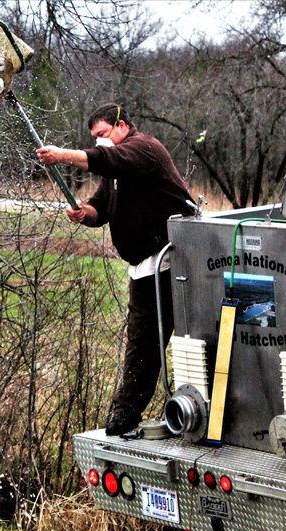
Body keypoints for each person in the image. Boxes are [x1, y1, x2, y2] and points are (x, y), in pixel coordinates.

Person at [36, 103, 194, 435]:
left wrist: (62, 155)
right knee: (142, 342)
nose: (99, 143)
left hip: (172, 260)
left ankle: (128, 412)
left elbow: (107, 160)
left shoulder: (143, 150)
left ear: (121, 126)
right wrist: (85, 214)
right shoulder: (117, 169)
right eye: (95, 138)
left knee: (160, 342)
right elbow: (101, 206)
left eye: (102, 135)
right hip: (142, 267)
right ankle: (126, 413)